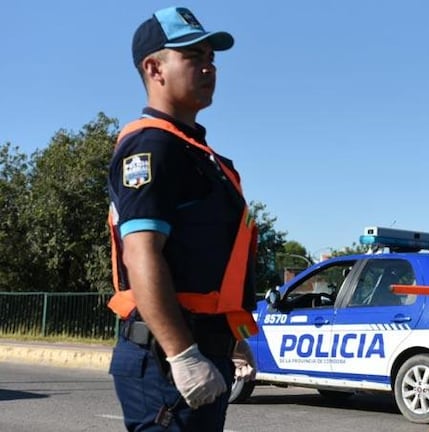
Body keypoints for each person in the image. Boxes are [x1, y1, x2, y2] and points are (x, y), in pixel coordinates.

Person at [106, 6, 258, 431]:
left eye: (211, 57)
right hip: (165, 361)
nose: (208, 67)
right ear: (154, 68)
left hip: (202, 346)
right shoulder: (152, 147)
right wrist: (183, 355)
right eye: (193, 56)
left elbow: (205, 263)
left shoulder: (198, 154)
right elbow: (141, 256)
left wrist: (230, 337)